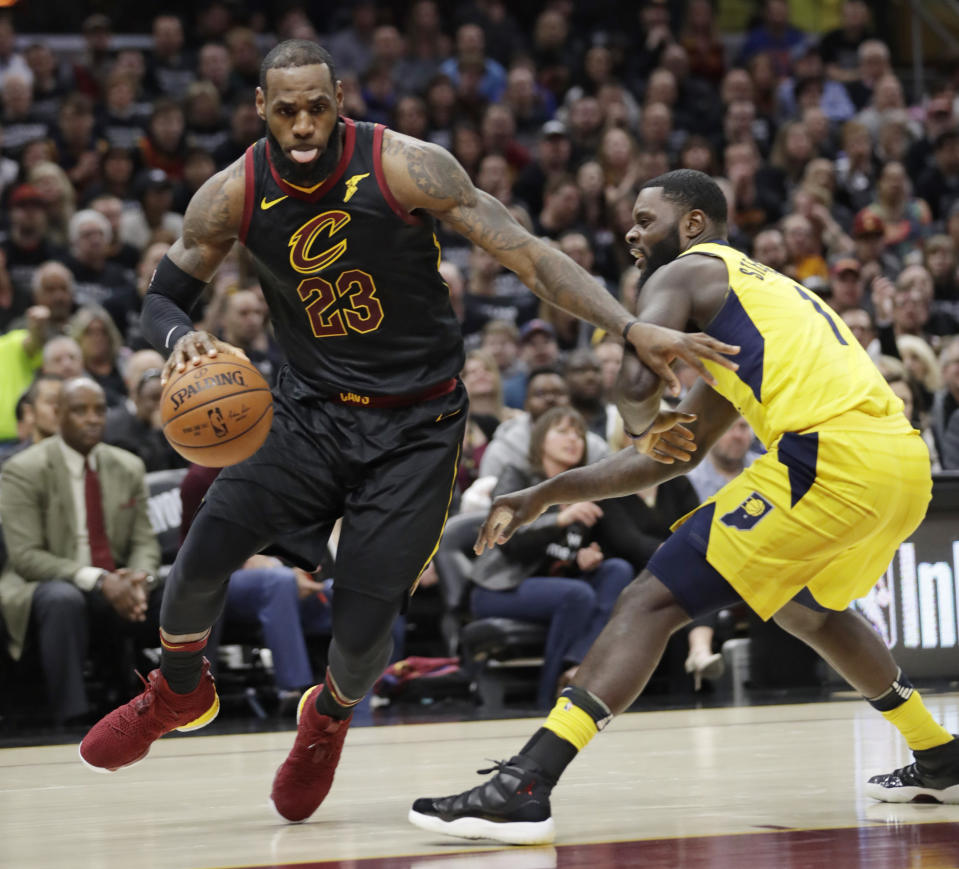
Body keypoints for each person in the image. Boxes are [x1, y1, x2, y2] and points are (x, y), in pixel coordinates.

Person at [77, 43, 733, 826]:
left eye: (316, 103)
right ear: (260, 108)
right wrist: (178, 333)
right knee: (200, 556)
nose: (303, 121)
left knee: (361, 634)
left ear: (339, 96)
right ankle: (178, 690)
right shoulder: (232, 193)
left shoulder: (405, 166)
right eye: (285, 108)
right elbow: (163, 293)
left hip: (417, 426)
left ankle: (326, 719)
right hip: (307, 411)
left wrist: (628, 325)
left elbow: (527, 255)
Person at [410, 169, 958, 845]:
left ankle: (526, 783)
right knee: (805, 606)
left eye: (644, 219)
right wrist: (547, 492)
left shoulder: (683, 272)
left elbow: (636, 384)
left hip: (832, 454)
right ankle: (936, 750)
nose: (631, 233)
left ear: (692, 223)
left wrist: (639, 405)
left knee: (650, 599)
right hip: (900, 464)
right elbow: (669, 454)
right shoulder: (746, 302)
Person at [0, 378, 160, 725]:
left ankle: (186, 701)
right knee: (63, 600)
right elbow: (26, 557)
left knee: (183, 584)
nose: (92, 419)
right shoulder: (23, 470)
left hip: (117, 579)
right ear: (58, 416)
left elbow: (145, 541)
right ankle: (71, 715)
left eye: (99, 410)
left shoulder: (127, 465)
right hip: (48, 581)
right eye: (79, 411)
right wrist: (99, 579)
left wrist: (139, 577)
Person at [470, 407, 635, 708]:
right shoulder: (517, 477)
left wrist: (590, 556)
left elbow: (606, 543)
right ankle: (549, 697)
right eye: (562, 431)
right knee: (577, 594)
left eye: (578, 434)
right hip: (500, 588)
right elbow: (505, 539)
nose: (572, 439)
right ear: (539, 441)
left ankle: (575, 670)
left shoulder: (586, 487)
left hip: (558, 586)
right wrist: (559, 519)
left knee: (617, 571)